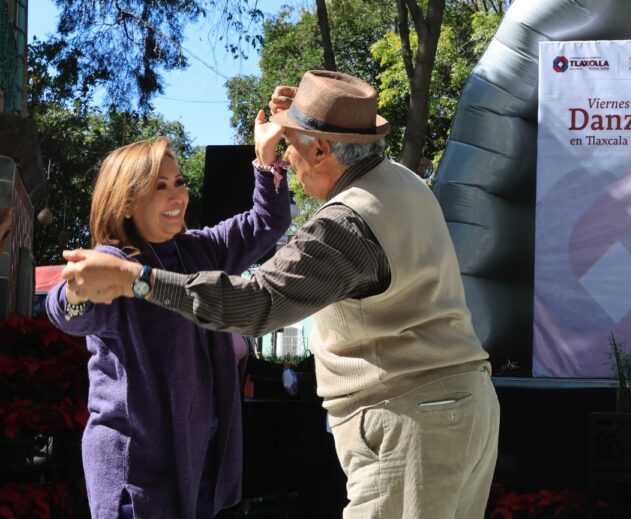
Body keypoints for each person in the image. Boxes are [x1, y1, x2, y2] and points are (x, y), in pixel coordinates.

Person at [61, 70, 500, 519]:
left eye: (290, 144)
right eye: (160, 185)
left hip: (414, 421)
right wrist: (88, 291)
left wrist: (138, 281)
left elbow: (257, 300)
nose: (287, 156)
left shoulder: (344, 223)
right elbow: (68, 306)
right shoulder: (403, 183)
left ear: (322, 150)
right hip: (461, 408)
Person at [46, 133, 291, 519]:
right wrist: (75, 293)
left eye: (179, 182)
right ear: (127, 202)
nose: (177, 196)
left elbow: (268, 221)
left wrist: (265, 159)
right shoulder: (115, 260)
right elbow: (66, 308)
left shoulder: (200, 249)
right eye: (159, 186)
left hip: (200, 462)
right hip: (138, 476)